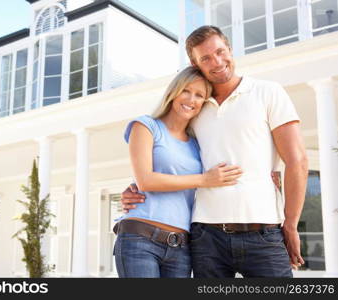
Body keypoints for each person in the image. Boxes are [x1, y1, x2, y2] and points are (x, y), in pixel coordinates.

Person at [121, 25, 308, 278]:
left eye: (220, 52)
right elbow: (171, 151)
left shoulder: (268, 92)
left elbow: (297, 161)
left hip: (263, 233)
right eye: (206, 58)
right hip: (205, 238)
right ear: (194, 63)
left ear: (230, 49)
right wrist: (137, 187)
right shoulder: (195, 107)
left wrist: (291, 224)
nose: (217, 62)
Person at [113, 66, 243, 278]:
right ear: (173, 92)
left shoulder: (197, 145)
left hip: (181, 247)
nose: (191, 99)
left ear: (204, 103)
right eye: (186, 90)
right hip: (140, 239)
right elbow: (145, 180)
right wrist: (205, 179)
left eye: (199, 95)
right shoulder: (146, 126)